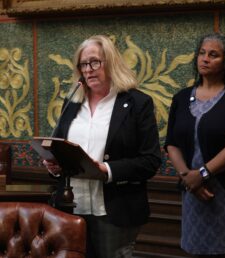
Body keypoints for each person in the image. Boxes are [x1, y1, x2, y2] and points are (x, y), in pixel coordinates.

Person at [43, 35, 161, 258]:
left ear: (111, 62)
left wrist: (106, 170)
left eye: (95, 62)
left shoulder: (137, 103)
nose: (88, 69)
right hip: (70, 207)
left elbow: (150, 161)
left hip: (115, 210)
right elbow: (58, 146)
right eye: (83, 64)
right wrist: (55, 165)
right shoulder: (71, 104)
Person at [165, 33, 225, 258]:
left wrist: (203, 174)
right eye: (202, 53)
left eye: (213, 55)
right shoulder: (181, 97)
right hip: (193, 192)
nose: (205, 59)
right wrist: (190, 178)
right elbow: (171, 143)